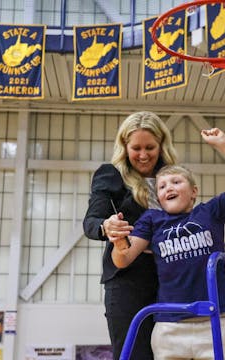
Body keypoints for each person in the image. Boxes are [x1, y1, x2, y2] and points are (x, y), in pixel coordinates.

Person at [110, 128, 225, 360]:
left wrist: (223, 144)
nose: (168, 187)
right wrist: (119, 243)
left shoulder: (211, 212)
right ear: (158, 198)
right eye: (161, 187)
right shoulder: (152, 220)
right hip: (169, 326)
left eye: (176, 182)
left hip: (213, 322)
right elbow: (124, 259)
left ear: (193, 192)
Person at [83, 111, 178, 360]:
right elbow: (91, 221)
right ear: (124, 146)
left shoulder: (172, 179)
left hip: (172, 278)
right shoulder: (110, 174)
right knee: (134, 353)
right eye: (136, 148)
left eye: (150, 147)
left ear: (161, 145)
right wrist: (107, 226)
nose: (143, 155)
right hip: (128, 280)